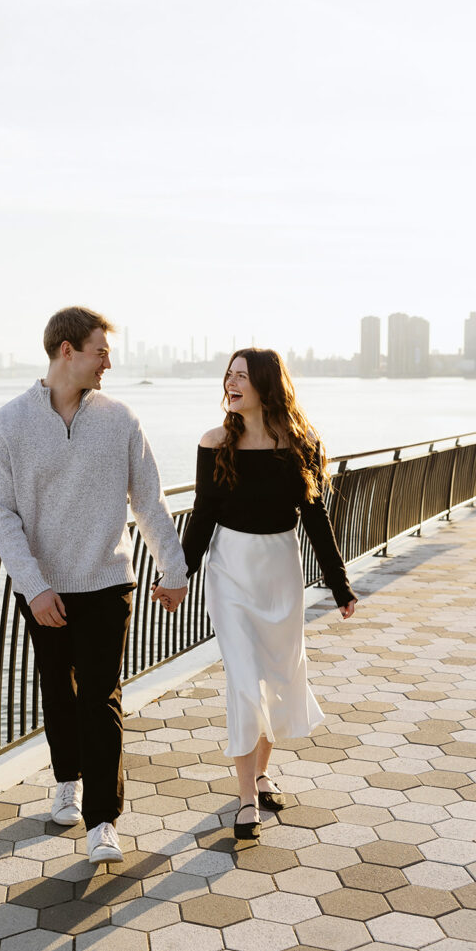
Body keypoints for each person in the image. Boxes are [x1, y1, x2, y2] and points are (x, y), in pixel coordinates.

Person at [0, 307, 188, 864]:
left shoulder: (120, 418)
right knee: (58, 690)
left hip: (106, 581)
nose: (109, 362)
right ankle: (67, 779)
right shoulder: (7, 425)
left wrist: (174, 570)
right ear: (66, 351)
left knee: (100, 698)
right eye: (100, 350)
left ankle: (103, 819)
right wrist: (32, 585)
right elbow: (2, 516)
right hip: (43, 589)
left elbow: (149, 501)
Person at [181, 348, 357, 840]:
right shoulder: (215, 442)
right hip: (230, 572)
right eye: (228, 375)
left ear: (264, 384)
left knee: (277, 678)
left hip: (281, 571)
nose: (231, 383)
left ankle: (260, 774)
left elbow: (317, 520)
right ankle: (245, 800)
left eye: (242, 376)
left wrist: (339, 586)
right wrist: (179, 574)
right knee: (243, 680)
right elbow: (203, 516)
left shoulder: (300, 441)